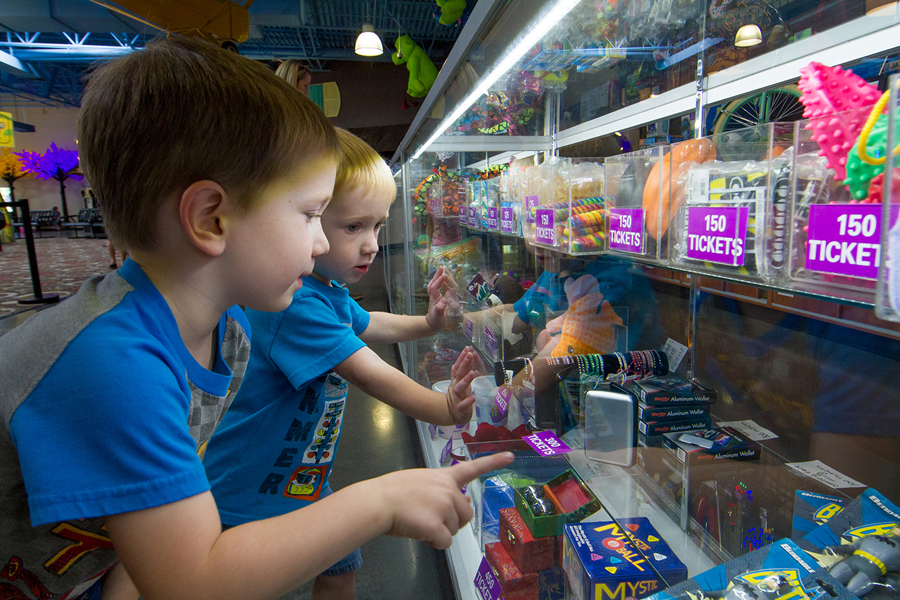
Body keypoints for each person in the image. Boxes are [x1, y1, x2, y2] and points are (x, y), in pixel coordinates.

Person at [0, 36, 513, 600]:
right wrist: (380, 501)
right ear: (210, 220)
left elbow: (145, 542)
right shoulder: (116, 363)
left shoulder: (227, 332)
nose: (321, 243)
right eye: (311, 215)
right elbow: (192, 582)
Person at [203, 129, 480, 600]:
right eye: (352, 227)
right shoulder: (295, 305)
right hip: (249, 485)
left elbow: (368, 323)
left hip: (298, 473)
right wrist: (444, 409)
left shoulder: (325, 291)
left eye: (377, 226)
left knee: (341, 566)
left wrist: (428, 324)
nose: (372, 244)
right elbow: (368, 370)